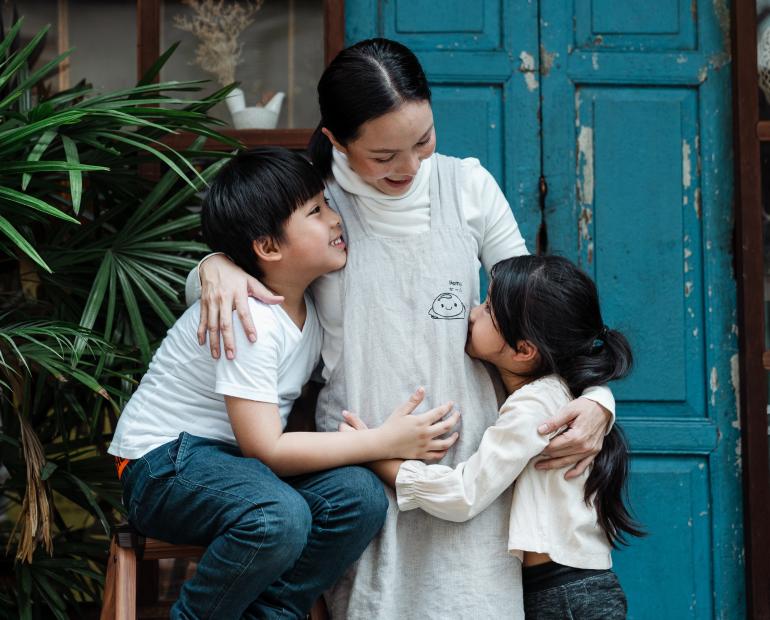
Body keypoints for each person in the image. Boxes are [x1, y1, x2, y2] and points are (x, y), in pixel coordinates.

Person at [188, 39, 617, 618]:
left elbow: (537, 313)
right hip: (365, 472)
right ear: (337, 140)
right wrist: (212, 267)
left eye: (423, 141)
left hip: (471, 473)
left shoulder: (467, 188)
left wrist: (597, 399)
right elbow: (237, 290)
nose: (410, 168)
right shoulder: (316, 210)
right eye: (384, 155)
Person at [108, 148, 460, 619]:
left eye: (327, 204)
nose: (336, 219)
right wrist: (382, 441)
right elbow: (266, 448)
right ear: (269, 248)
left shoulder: (307, 308)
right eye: (316, 211)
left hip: (232, 467)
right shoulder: (249, 316)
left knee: (358, 496)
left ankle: (270, 613)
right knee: (278, 516)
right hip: (161, 465)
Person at [347, 255, 643, 619]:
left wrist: (374, 453)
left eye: (487, 309)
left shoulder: (534, 407)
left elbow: (464, 494)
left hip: (564, 597)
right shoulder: (555, 393)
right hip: (571, 588)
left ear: (523, 351)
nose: (471, 313)